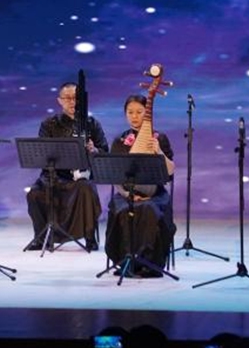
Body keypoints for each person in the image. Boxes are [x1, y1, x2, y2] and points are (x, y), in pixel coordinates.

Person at [25, 81, 106, 252]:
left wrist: (94, 150)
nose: (72, 102)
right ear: (59, 101)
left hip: (80, 176)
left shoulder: (92, 124)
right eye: (67, 98)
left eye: (76, 98)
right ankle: (41, 238)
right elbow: (42, 152)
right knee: (34, 193)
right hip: (54, 174)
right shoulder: (49, 124)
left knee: (85, 188)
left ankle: (89, 236)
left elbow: (104, 151)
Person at [105, 95, 175, 277]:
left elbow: (169, 172)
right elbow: (115, 176)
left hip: (155, 194)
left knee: (149, 209)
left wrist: (158, 151)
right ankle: (124, 261)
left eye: (139, 112)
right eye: (130, 112)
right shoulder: (120, 141)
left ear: (148, 113)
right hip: (125, 194)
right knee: (122, 211)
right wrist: (128, 195)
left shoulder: (159, 138)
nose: (134, 116)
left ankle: (149, 264)